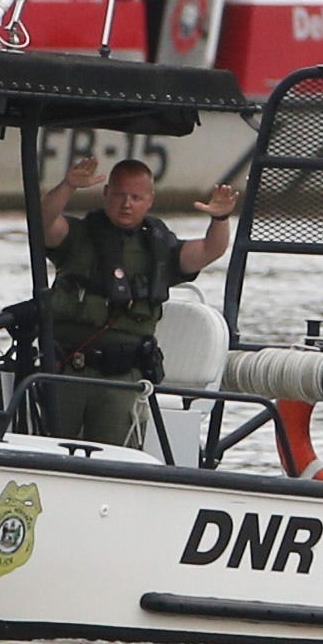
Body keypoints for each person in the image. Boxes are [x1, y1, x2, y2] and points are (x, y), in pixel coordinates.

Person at [37, 157, 240, 447]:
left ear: (150, 200)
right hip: (67, 369)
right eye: (119, 195)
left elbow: (210, 249)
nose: (126, 204)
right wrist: (68, 186)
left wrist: (220, 219)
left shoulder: (160, 247)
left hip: (122, 375)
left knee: (114, 455)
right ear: (106, 194)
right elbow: (42, 223)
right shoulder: (78, 235)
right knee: (49, 447)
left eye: (136, 197)